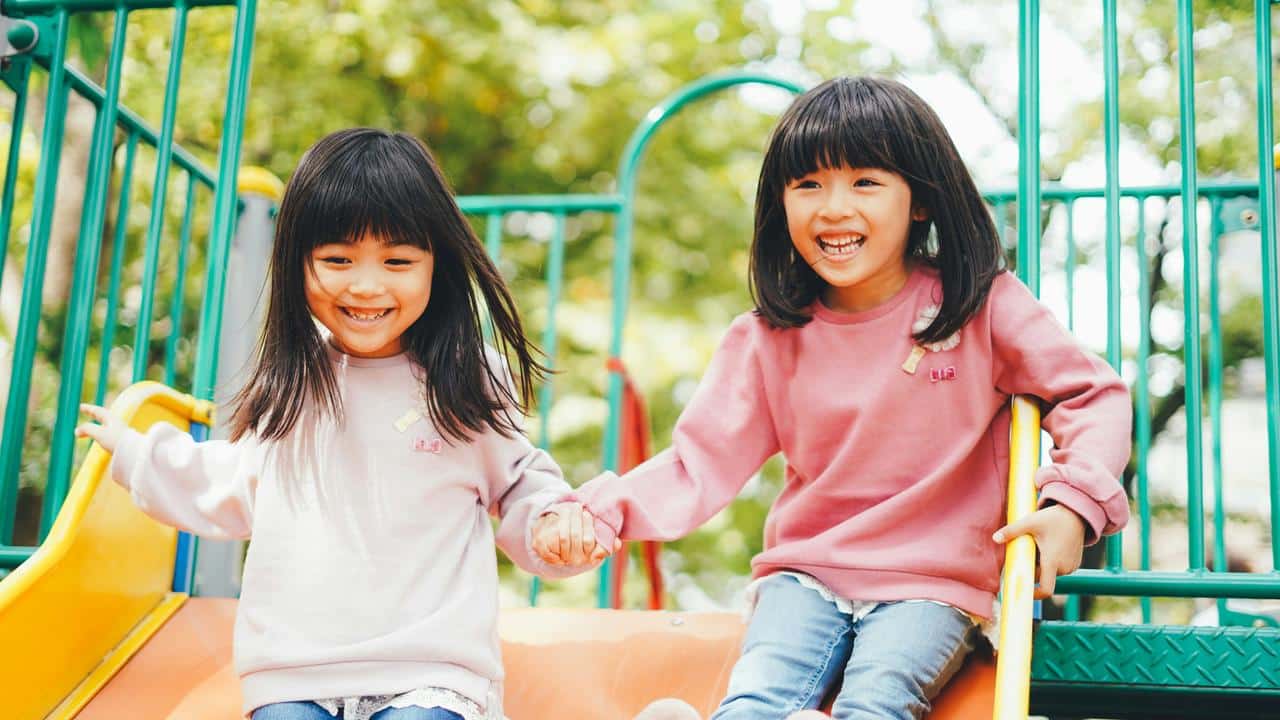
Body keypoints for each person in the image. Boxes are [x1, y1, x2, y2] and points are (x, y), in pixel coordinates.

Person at [533, 77, 1132, 720]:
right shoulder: (769, 337)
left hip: (929, 583)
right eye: (808, 185)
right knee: (757, 695)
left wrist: (1072, 507)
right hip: (806, 574)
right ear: (780, 204)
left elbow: (1092, 393)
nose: (833, 209)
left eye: (865, 183)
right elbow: (696, 465)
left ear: (921, 202)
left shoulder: (977, 307)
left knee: (879, 697)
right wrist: (601, 513)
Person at [78, 128, 608, 720]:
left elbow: (519, 484)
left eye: (398, 261)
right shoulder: (296, 380)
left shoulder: (465, 377)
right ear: (297, 263)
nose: (365, 285)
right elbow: (232, 479)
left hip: (431, 672)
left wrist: (554, 523)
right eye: (337, 260)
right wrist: (137, 454)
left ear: (439, 264)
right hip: (293, 670)